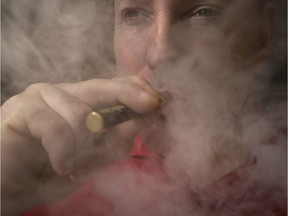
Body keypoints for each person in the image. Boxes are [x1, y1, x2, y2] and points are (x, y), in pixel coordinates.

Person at [1, 0, 286, 215]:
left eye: (204, 12)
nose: (160, 53)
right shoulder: (57, 174)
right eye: (134, 13)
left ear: (262, 36)